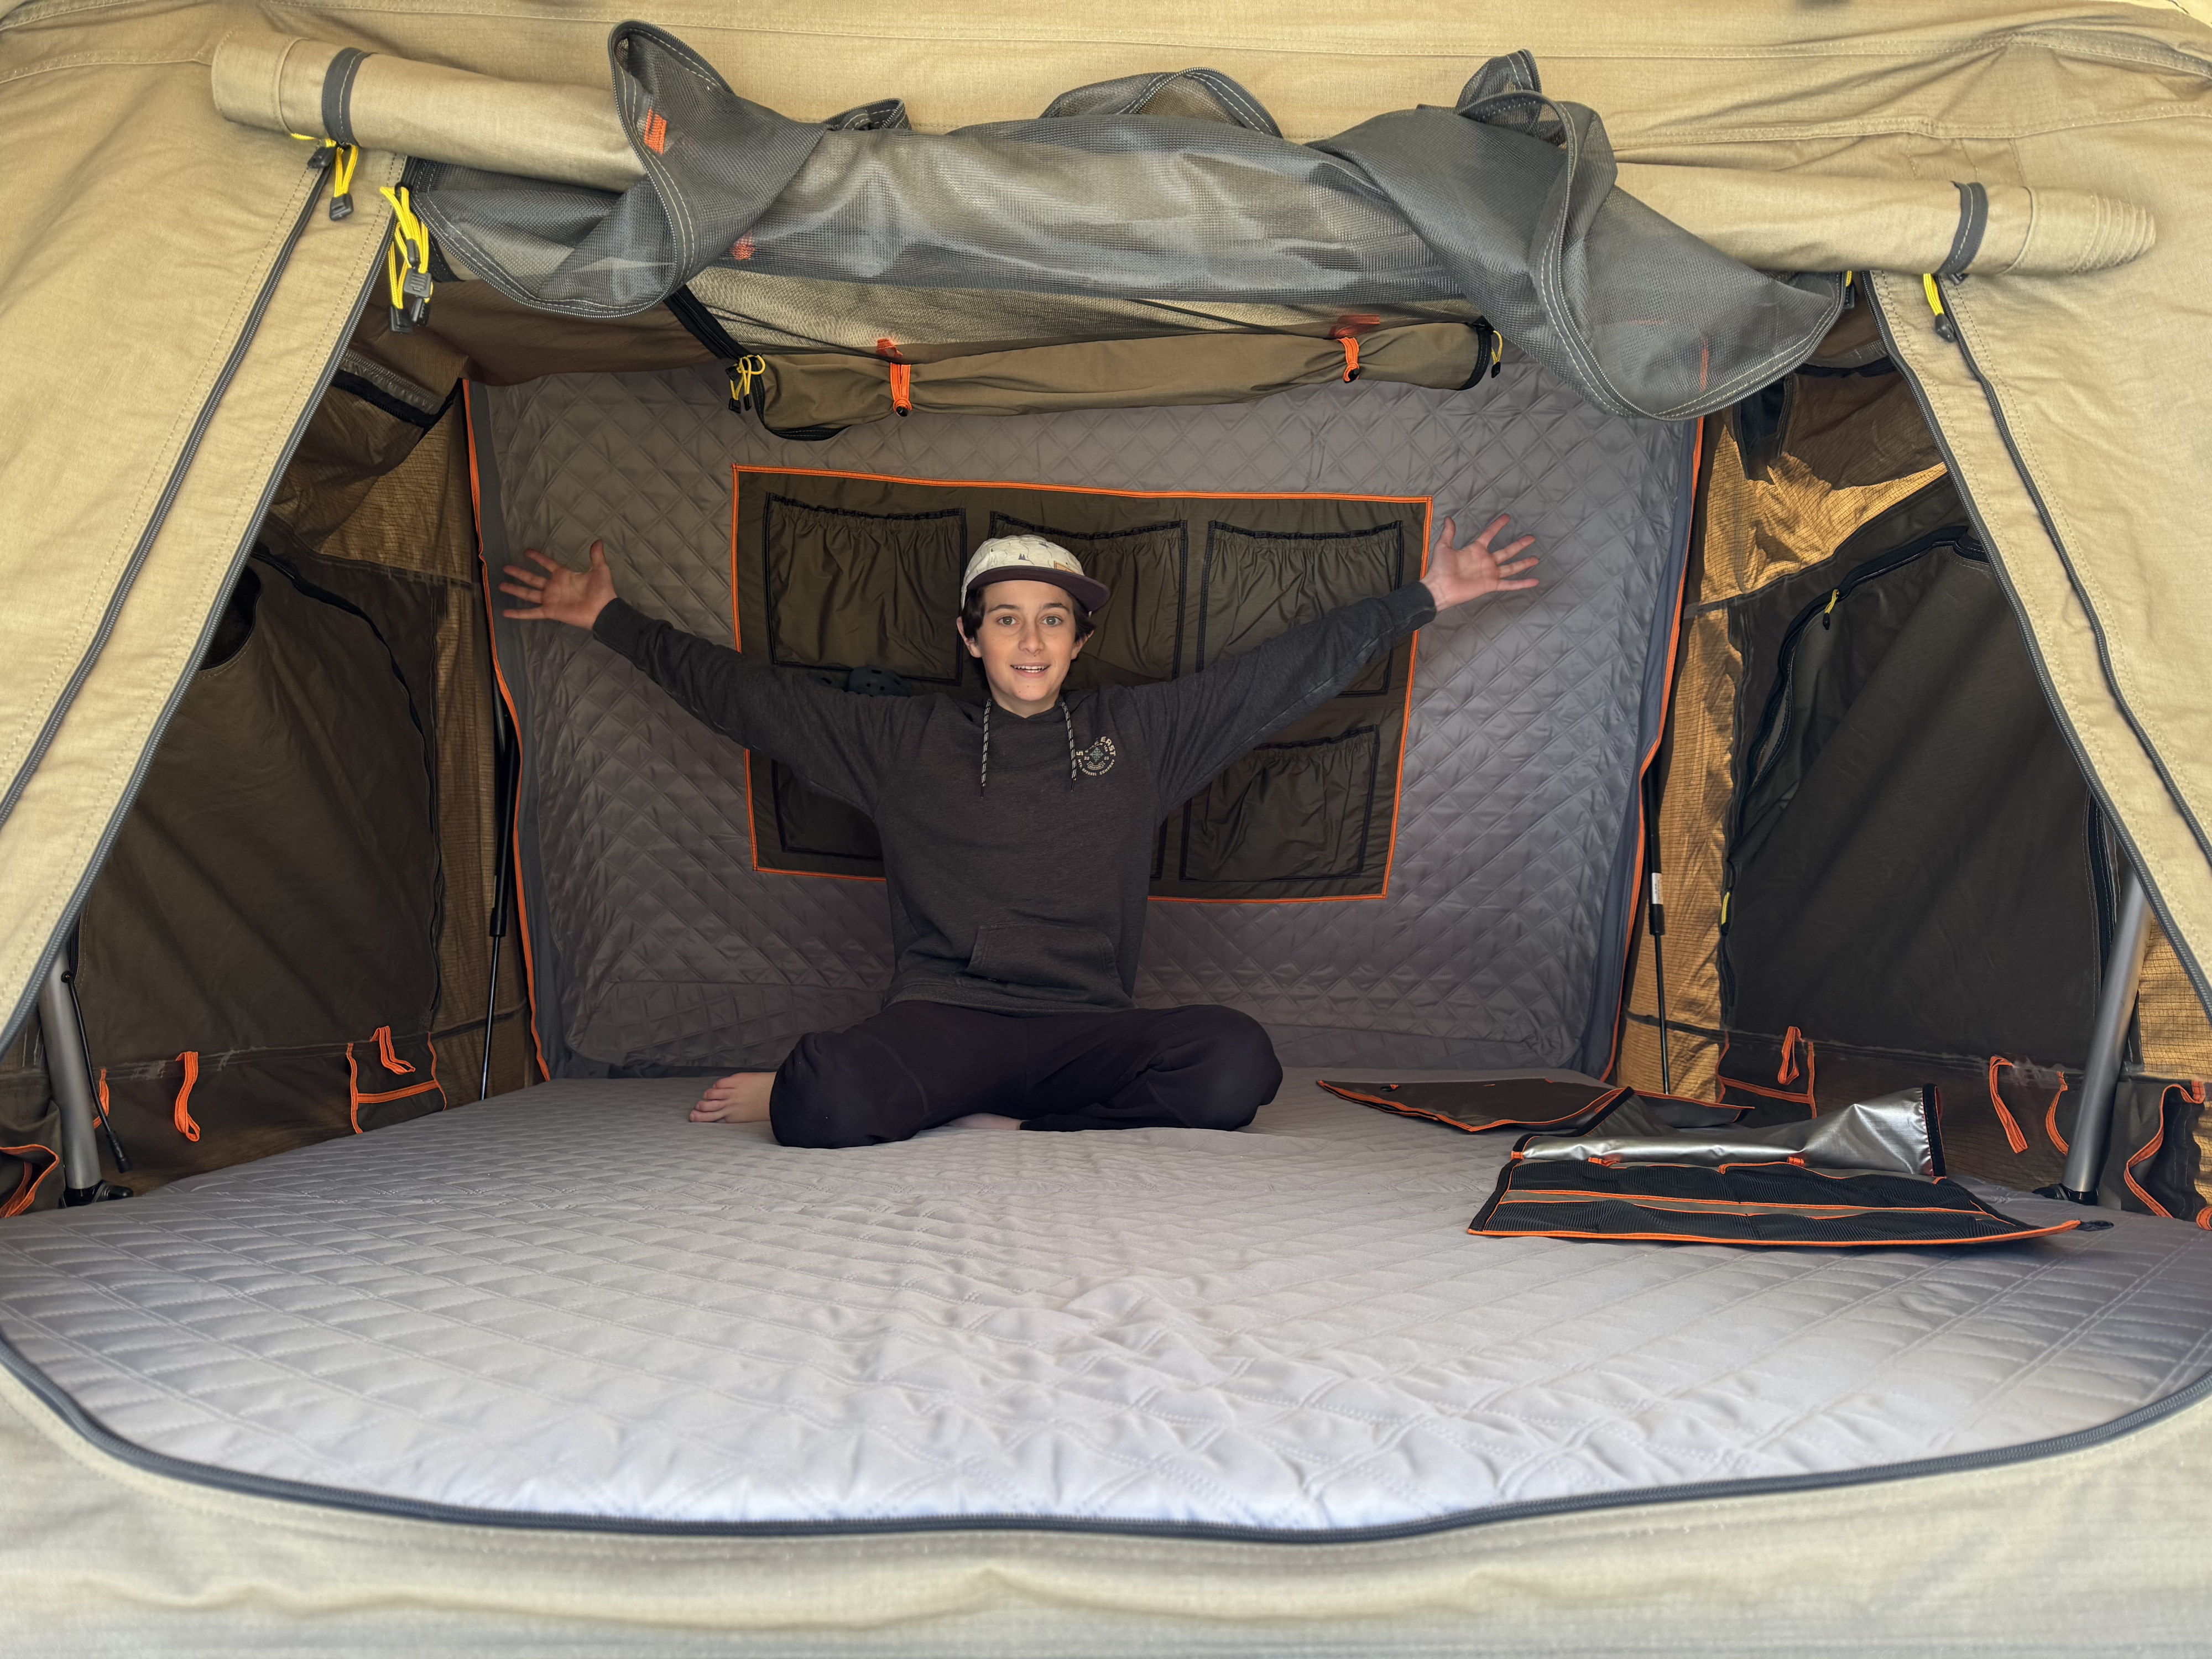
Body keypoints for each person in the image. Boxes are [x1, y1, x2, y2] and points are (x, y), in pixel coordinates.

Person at [499, 514, 1537, 1146]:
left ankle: (1009, 1121)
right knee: (816, 1105)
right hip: (943, 1017)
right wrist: (611, 620)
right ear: (970, 635)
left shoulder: (1141, 734)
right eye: (1005, 616)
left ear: (1080, 639)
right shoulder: (902, 741)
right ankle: (947, 1102)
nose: (1029, 638)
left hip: (1084, 1030)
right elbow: (749, 698)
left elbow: (1278, 679)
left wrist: (1428, 597)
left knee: (1238, 1065)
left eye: (1052, 618)